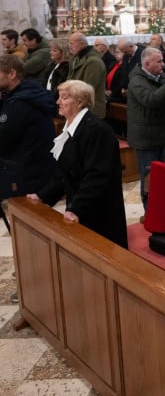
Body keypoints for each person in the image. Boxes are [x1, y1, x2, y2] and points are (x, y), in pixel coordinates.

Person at [29, 80, 128, 248]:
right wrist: (42, 196)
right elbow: (64, 172)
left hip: (99, 210)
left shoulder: (96, 130)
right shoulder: (72, 128)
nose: (58, 102)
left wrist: (76, 209)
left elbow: (96, 175)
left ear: (80, 101)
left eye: (64, 97)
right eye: (59, 97)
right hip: (83, 205)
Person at [127, 47, 165, 210]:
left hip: (158, 134)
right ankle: (150, 212)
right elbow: (151, 100)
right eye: (159, 61)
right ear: (147, 64)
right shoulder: (137, 81)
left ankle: (161, 209)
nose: (163, 64)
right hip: (146, 138)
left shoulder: (158, 76)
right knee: (149, 177)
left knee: (160, 175)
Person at [0, 54, 56, 198]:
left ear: (12, 74)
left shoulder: (20, 103)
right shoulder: (28, 92)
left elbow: (3, 138)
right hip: (33, 168)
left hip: (27, 172)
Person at [67, 32, 107, 118]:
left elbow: (88, 89)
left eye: (72, 43)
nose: (69, 46)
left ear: (81, 44)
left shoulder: (94, 62)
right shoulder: (77, 58)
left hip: (90, 109)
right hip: (78, 106)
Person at [42, 38, 69, 103]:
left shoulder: (67, 67)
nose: (51, 52)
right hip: (47, 98)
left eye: (54, 51)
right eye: (51, 50)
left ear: (63, 52)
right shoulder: (51, 65)